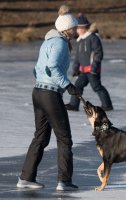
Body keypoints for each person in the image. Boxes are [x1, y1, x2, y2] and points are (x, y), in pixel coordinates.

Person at [16, 7, 79, 191]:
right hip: (50, 94)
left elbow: (37, 69)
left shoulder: (48, 42)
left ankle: (26, 177)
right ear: (66, 29)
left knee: (41, 137)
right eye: (74, 28)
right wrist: (66, 85)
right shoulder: (59, 43)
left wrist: (43, 80)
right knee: (64, 138)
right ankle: (64, 181)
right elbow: (52, 66)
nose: (75, 31)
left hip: (38, 92)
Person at [65, 14, 113, 112]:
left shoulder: (93, 38)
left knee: (97, 87)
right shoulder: (80, 40)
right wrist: (75, 68)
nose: (76, 30)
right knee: (78, 86)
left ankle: (107, 105)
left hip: (92, 70)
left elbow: (98, 53)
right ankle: (74, 105)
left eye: (77, 28)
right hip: (83, 71)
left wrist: (94, 67)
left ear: (83, 28)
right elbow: (77, 57)